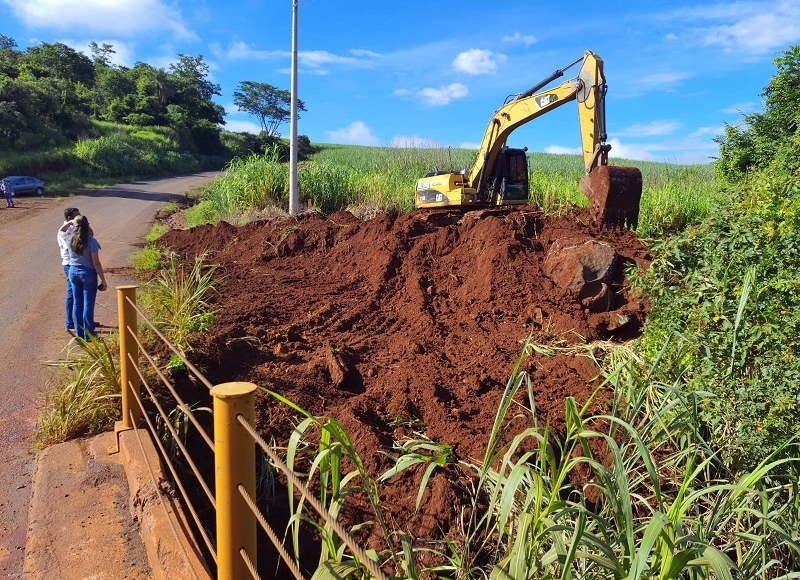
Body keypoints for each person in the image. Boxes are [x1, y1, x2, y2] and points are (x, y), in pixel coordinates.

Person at [60, 214, 107, 340]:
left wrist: (70, 222)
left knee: (77, 303)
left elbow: (61, 231)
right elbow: (96, 263)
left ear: (74, 226)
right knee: (88, 303)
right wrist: (103, 280)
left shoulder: (69, 238)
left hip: (73, 272)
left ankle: (79, 333)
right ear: (87, 226)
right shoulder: (91, 241)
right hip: (88, 273)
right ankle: (89, 334)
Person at [58, 207, 81, 334]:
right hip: (69, 264)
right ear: (69, 218)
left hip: (75, 264)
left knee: (78, 293)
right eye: (76, 216)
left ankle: (80, 320)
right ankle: (70, 322)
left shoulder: (75, 228)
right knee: (72, 293)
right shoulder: (65, 231)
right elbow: (71, 248)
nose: (79, 217)